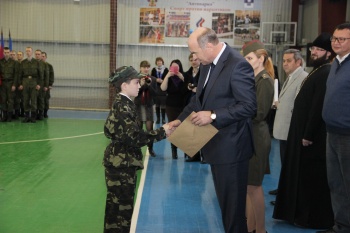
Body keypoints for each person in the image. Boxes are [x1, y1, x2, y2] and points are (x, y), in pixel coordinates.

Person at [168, 27, 257, 233]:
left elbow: (249, 106)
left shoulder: (237, 65)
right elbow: (198, 101)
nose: (194, 57)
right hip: (216, 146)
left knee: (233, 211)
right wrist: (179, 121)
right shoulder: (208, 65)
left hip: (232, 149)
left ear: (209, 45)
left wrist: (214, 115)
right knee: (226, 206)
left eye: (195, 53)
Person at [273, 33, 334, 229]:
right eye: (313, 49)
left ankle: (309, 217)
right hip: (299, 132)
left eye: (319, 50)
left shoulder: (325, 72)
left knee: (310, 179)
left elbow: (317, 108)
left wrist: (307, 134)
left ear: (329, 53)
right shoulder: (318, 71)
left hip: (311, 138)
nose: (314, 52)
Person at [103, 66, 170, 233]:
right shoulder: (123, 107)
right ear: (124, 85)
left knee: (114, 209)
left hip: (119, 162)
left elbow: (108, 130)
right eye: (135, 82)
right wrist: (163, 132)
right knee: (122, 212)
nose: (139, 86)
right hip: (122, 166)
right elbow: (136, 138)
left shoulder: (123, 103)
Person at [320, 22, 350, 233]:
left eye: (342, 39)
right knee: (336, 184)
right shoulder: (335, 64)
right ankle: (341, 226)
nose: (336, 43)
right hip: (331, 132)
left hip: (348, 135)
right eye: (334, 39)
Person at [242, 40, 274, 233]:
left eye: (250, 58)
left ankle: (261, 230)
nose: (246, 61)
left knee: (254, 187)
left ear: (261, 58)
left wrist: (235, 113)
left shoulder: (264, 80)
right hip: (250, 135)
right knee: (248, 186)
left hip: (257, 136)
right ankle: (250, 227)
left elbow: (260, 112)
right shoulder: (253, 78)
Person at [269, 49, 308, 200]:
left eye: (289, 61)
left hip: (291, 129)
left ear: (298, 62)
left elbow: (299, 105)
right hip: (284, 129)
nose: (285, 64)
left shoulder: (303, 78)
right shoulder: (291, 77)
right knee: (284, 163)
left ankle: (287, 195)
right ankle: (283, 189)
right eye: (284, 61)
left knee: (290, 164)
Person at [160, 59, 189, 159]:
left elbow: (187, 89)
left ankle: (186, 151)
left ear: (180, 67)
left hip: (182, 105)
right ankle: (174, 150)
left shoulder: (184, 75)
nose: (174, 69)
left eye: (176, 67)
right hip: (171, 106)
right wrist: (168, 76)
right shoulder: (168, 77)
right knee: (173, 129)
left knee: (184, 129)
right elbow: (163, 88)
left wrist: (182, 78)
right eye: (172, 67)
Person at [134, 60, 158, 157]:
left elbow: (155, 93)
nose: (146, 69)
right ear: (140, 68)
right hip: (138, 105)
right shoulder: (135, 79)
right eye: (144, 67)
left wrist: (148, 85)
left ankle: (150, 149)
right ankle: (137, 149)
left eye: (148, 67)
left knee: (149, 129)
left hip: (149, 106)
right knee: (138, 128)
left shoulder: (153, 79)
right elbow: (135, 93)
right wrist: (141, 85)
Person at [184, 52, 202, 162]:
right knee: (191, 130)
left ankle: (203, 155)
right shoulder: (187, 73)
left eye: (195, 59)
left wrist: (197, 90)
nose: (193, 61)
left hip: (200, 104)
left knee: (201, 130)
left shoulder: (204, 72)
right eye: (191, 59)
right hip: (189, 103)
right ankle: (193, 154)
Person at [18, 47, 43, 123]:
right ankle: (26, 116)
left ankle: (33, 117)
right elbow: (20, 74)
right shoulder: (23, 62)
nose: (28, 52)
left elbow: (40, 75)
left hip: (34, 82)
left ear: (32, 52)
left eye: (29, 51)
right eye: (26, 51)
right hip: (25, 82)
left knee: (33, 100)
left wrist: (39, 84)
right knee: (25, 100)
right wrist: (20, 84)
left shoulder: (37, 62)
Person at [0, 47, 18, 122]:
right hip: (3, 83)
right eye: (5, 52)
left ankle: (9, 116)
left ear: (10, 53)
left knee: (10, 100)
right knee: (3, 100)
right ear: (3, 53)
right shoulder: (0, 61)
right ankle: (4, 116)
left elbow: (16, 74)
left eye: (8, 52)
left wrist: (14, 84)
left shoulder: (14, 62)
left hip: (11, 83)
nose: (6, 54)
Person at [150, 57, 168, 124]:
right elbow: (151, 78)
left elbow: (168, 78)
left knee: (163, 105)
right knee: (157, 105)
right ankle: (158, 119)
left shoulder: (166, 69)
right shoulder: (154, 69)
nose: (159, 62)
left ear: (162, 62)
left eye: (160, 61)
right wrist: (156, 80)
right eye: (157, 61)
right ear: (156, 62)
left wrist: (163, 81)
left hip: (163, 89)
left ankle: (163, 119)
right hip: (156, 88)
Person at [34, 49, 49, 120]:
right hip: (33, 84)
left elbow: (46, 76)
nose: (37, 55)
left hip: (42, 84)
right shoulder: (32, 63)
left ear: (41, 55)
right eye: (36, 54)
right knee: (34, 100)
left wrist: (46, 86)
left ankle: (41, 114)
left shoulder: (44, 64)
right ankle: (35, 114)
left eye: (38, 54)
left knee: (41, 100)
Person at [41, 51, 54, 118]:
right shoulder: (38, 65)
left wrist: (50, 84)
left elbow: (51, 76)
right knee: (40, 100)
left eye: (43, 56)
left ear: (46, 57)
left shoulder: (49, 66)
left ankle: (45, 113)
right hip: (40, 85)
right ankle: (40, 113)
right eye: (41, 56)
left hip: (46, 85)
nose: (42, 57)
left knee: (46, 99)